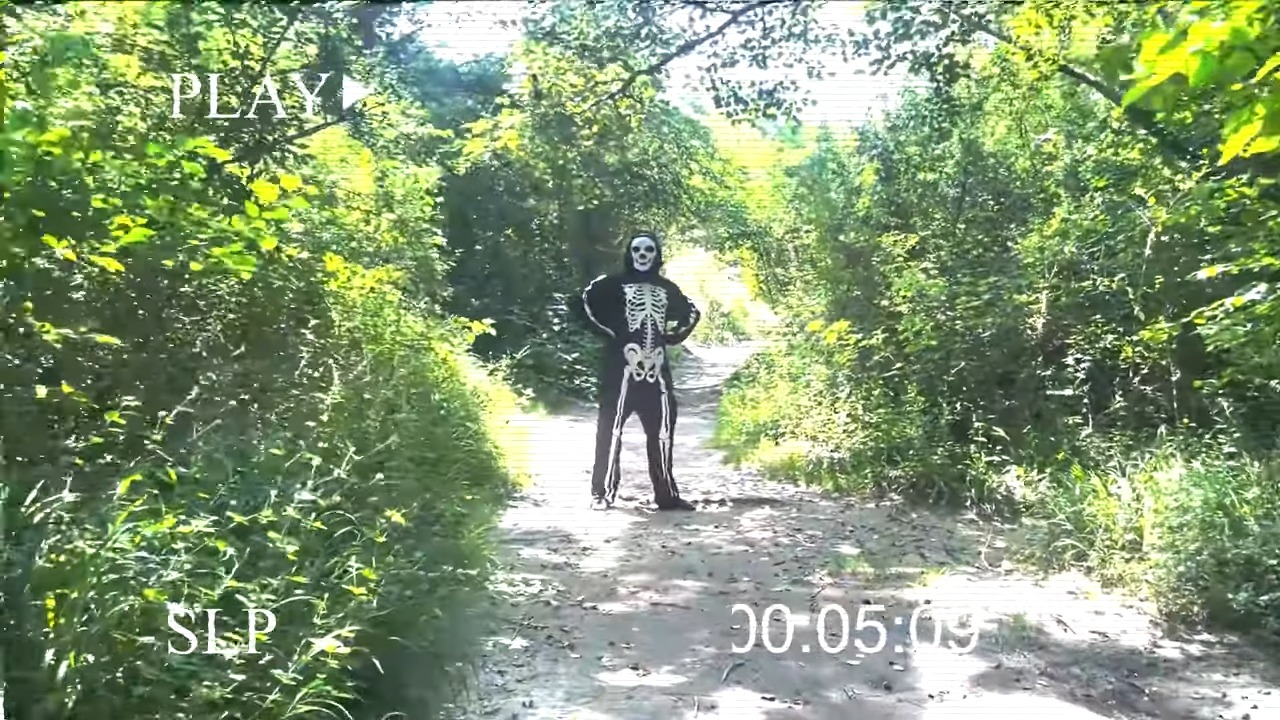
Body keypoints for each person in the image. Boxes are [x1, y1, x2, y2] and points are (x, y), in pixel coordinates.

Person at [580, 231, 701, 511]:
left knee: (663, 432)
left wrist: (674, 336)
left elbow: (692, 312)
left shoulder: (667, 288)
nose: (642, 256)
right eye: (637, 250)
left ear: (656, 255)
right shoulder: (612, 285)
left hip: (656, 372)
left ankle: (667, 495)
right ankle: (602, 493)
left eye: (648, 250)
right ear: (629, 254)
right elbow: (584, 303)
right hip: (619, 370)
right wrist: (611, 332)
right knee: (609, 431)